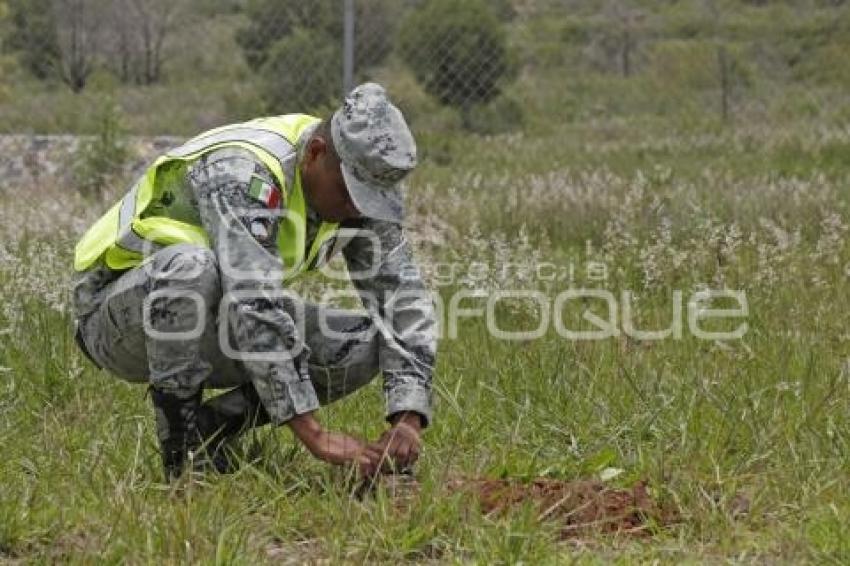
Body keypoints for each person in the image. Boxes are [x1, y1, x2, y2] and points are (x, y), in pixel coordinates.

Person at [71, 83, 437, 480]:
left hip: (213, 317)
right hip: (121, 321)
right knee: (192, 266)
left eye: (371, 202)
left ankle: (210, 432)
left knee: (363, 346)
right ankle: (181, 461)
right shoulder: (243, 172)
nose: (357, 212)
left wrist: (408, 416)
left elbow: (402, 299)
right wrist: (314, 434)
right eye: (352, 196)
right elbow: (253, 304)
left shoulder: (353, 187)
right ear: (315, 154)